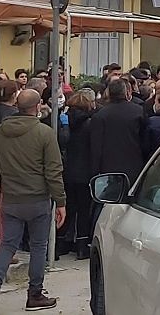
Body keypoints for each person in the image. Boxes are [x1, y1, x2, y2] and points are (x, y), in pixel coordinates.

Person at [0, 90, 66, 314]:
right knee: (38, 246)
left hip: (11, 199)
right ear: (37, 107)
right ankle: (35, 294)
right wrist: (61, 201)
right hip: (38, 199)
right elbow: (53, 171)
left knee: (7, 245)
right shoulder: (44, 133)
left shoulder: (1, 131)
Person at [88, 79, 148, 183]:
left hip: (109, 170)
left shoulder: (100, 116)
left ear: (109, 93)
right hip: (134, 166)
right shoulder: (138, 111)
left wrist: (95, 173)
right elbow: (145, 141)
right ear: (126, 92)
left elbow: (96, 147)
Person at [63, 89, 97, 260]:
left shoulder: (64, 121)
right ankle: (82, 246)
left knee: (68, 207)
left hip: (67, 170)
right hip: (85, 171)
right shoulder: (90, 124)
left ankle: (61, 243)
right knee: (84, 210)